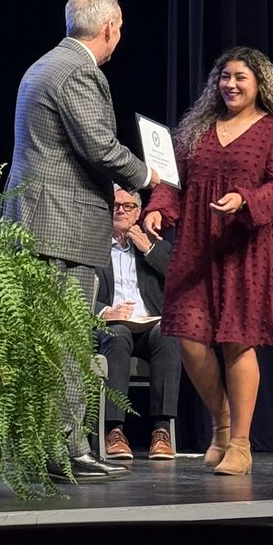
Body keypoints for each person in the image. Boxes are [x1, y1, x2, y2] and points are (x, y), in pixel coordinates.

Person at [2, 0, 160, 482]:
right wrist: (147, 176)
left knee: (50, 345)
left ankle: (54, 450)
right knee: (64, 345)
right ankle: (64, 453)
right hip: (59, 228)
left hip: (44, 223)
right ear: (109, 27)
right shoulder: (79, 71)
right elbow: (99, 145)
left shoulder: (46, 64)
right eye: (121, 30)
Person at [143, 46, 273, 476]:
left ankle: (242, 444)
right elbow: (171, 182)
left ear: (259, 85)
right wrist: (158, 208)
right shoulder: (197, 130)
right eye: (224, 76)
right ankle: (223, 425)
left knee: (236, 340)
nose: (230, 84)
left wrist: (244, 199)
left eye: (240, 78)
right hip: (196, 243)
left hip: (247, 245)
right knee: (191, 342)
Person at [94, 186, 181, 460]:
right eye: (115, 205)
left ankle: (161, 431)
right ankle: (114, 431)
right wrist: (104, 311)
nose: (120, 210)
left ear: (139, 212)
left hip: (149, 326)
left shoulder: (157, 247)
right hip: (112, 327)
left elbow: (180, 282)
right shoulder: (92, 248)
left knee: (168, 334)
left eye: (128, 206)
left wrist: (149, 249)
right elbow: (75, 290)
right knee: (118, 333)